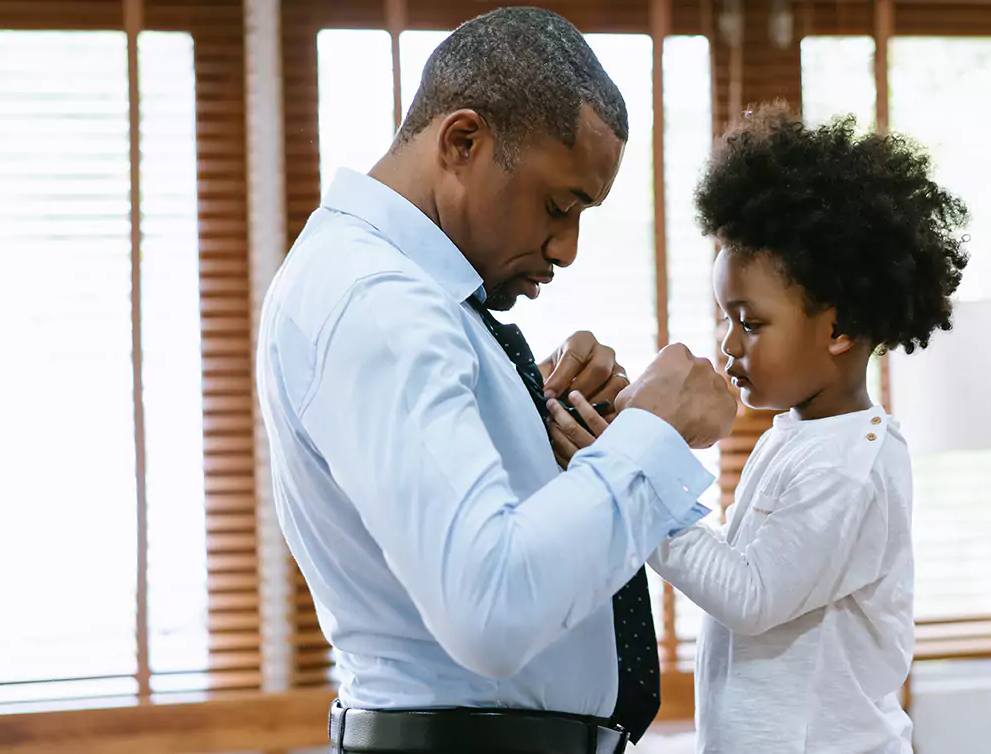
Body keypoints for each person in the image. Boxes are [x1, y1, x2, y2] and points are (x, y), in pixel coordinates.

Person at [255, 8, 736, 754]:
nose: (568, 249)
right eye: (558, 206)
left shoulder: (412, 298)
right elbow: (492, 608)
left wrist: (543, 425)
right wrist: (654, 435)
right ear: (463, 141)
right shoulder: (380, 302)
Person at [648, 106, 969, 753]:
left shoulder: (847, 466)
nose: (727, 343)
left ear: (840, 326)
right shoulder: (800, 437)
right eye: (725, 318)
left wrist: (641, 485)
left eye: (751, 322)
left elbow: (751, 593)